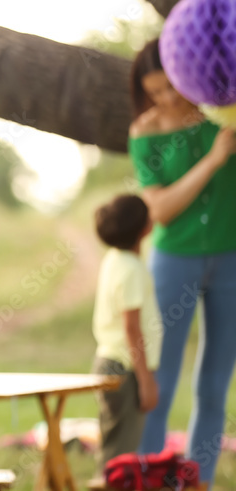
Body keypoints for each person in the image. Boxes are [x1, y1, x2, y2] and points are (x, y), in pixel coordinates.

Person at [129, 38, 236, 485]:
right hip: (174, 260)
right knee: (159, 382)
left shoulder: (224, 115)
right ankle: (149, 477)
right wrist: (213, 161)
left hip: (231, 258)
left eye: (172, 86)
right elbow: (159, 210)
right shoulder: (146, 130)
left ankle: (198, 479)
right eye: (156, 92)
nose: (168, 98)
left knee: (214, 385)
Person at [92, 194, 161, 467]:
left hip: (109, 363)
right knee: (121, 457)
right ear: (142, 227)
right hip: (124, 369)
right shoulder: (131, 269)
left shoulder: (114, 259)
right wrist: (146, 381)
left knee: (114, 446)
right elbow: (132, 328)